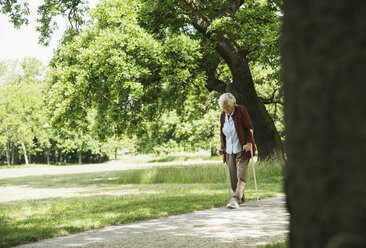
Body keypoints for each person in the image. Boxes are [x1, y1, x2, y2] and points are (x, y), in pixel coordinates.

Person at [218, 93, 256, 209]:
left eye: (227, 107)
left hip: (242, 149)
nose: (226, 110)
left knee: (241, 176)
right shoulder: (223, 115)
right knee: (233, 177)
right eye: (223, 108)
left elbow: (248, 128)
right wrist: (222, 147)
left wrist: (249, 143)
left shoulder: (241, 111)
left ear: (233, 104)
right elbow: (223, 133)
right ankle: (241, 199)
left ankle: (235, 199)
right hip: (229, 150)